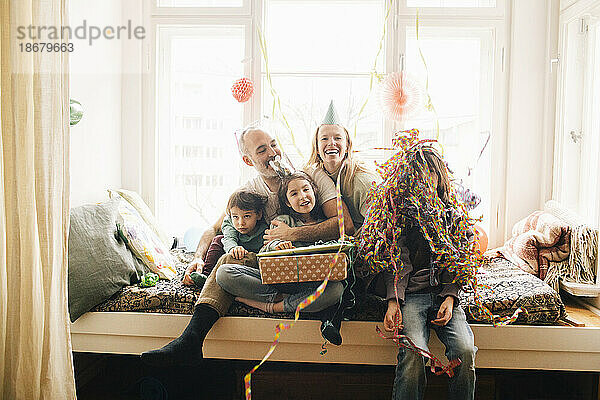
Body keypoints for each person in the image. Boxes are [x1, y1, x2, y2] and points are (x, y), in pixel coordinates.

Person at [141, 126, 354, 367]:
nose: (273, 153)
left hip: (309, 264)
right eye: (262, 150)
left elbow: (345, 224)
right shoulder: (251, 190)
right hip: (270, 265)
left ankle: (274, 304)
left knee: (335, 289)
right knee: (226, 264)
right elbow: (215, 229)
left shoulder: (311, 176)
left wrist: (292, 234)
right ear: (248, 160)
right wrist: (198, 257)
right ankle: (191, 340)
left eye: (274, 144)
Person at [381, 146, 476, 400]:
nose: (424, 181)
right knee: (413, 352)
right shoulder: (402, 219)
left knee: (465, 350)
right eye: (418, 176)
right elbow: (396, 260)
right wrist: (394, 301)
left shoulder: (454, 217)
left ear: (440, 179)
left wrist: (450, 297)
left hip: (444, 296)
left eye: (430, 175)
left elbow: (460, 260)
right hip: (412, 296)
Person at [305, 100, 381, 343]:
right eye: (324, 139)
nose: (331, 144)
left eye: (337, 138)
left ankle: (338, 313)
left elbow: (378, 229)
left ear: (347, 145)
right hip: (330, 245)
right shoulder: (314, 177)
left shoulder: (362, 180)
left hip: (362, 248)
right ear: (317, 147)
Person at [216, 171, 344, 315]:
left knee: (336, 289)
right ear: (287, 202)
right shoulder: (282, 221)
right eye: (294, 194)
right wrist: (276, 246)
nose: (302, 196)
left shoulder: (324, 226)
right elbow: (264, 251)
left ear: (314, 192)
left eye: (306, 189)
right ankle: (281, 298)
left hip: (309, 281)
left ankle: (275, 307)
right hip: (276, 280)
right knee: (224, 273)